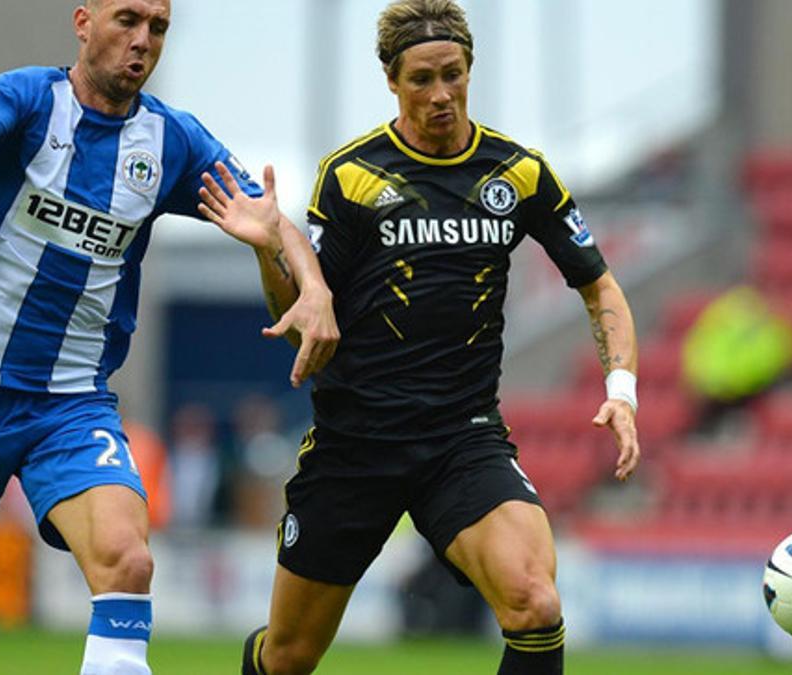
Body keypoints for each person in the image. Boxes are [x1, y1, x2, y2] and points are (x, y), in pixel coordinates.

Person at [0, 2, 338, 673]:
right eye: (128, 20)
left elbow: (274, 219)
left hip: (69, 406)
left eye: (158, 28)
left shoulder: (173, 142)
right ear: (83, 22)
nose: (143, 40)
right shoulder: (29, 99)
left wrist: (314, 287)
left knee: (128, 559)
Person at [198, 1, 640, 673]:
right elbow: (305, 327)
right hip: (356, 443)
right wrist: (268, 253)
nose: (442, 95)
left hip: (461, 439)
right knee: (287, 657)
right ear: (392, 81)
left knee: (536, 602)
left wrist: (623, 387)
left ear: (470, 69)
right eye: (422, 79)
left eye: (454, 74)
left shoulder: (518, 173)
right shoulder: (351, 176)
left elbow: (599, 284)